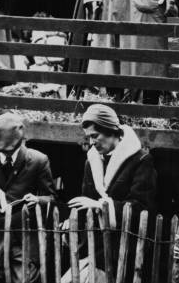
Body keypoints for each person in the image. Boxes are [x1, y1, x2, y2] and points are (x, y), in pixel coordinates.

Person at [63, 104, 157, 282]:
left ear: (111, 131)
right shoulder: (91, 161)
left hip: (127, 248)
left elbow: (141, 207)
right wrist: (73, 223)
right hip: (96, 246)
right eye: (89, 137)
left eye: (95, 136)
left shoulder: (141, 160)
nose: (91, 142)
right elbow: (86, 204)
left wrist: (101, 205)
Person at [0, 113, 57, 283]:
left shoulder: (38, 160)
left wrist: (38, 200)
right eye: (0, 151)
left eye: (10, 151)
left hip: (24, 240)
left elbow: (51, 198)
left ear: (20, 141)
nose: (5, 154)